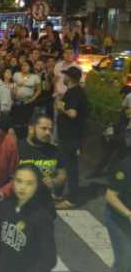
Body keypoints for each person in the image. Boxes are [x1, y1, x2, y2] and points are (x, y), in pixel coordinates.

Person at [0, 165, 57, 272]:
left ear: (37, 185)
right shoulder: (5, 207)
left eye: (29, 183)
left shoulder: (42, 216)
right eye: (19, 181)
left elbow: (49, 259)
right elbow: (1, 246)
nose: (22, 187)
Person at [55, 66, 88, 209]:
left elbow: (73, 114)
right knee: (65, 166)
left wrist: (60, 108)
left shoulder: (75, 93)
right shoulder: (74, 91)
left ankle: (72, 199)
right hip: (67, 137)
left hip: (71, 138)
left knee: (71, 168)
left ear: (71, 78)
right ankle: (59, 193)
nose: (64, 77)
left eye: (66, 75)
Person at [103, 153, 131, 272]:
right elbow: (110, 196)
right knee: (124, 257)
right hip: (118, 218)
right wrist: (128, 214)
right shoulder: (125, 166)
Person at [18, 113, 67, 200]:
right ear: (31, 129)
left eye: (50, 130)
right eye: (43, 128)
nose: (48, 133)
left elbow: (62, 174)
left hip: (45, 204)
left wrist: (54, 181)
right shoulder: (16, 149)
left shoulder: (55, 151)